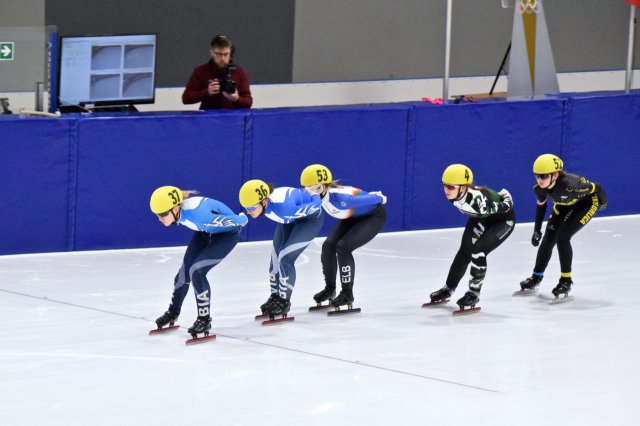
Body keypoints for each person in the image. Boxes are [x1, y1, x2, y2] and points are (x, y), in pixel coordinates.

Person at [150, 185, 248, 337]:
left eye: (162, 214)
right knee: (184, 272)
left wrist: (242, 218)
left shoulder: (198, 216)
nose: (160, 219)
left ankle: (204, 319)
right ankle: (173, 312)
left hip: (227, 234)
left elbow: (237, 222)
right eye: (157, 215)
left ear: (176, 209)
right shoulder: (182, 213)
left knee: (197, 271)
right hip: (205, 231)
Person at [300, 164, 387, 310]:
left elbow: (372, 199)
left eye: (318, 188)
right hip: (350, 217)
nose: (314, 193)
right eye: (309, 190)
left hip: (373, 216)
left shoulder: (339, 199)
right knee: (328, 246)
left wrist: (379, 197)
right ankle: (330, 289)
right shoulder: (314, 196)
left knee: (343, 247)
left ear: (325, 186)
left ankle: (347, 293)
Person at [429, 164, 516, 309]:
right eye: (445, 186)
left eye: (451, 187)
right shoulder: (457, 195)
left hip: (502, 221)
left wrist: (506, 197)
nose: (446, 190)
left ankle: (473, 293)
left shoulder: (477, 202)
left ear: (463, 187)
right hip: (481, 218)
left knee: (478, 251)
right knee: (464, 252)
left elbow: (507, 206)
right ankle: (448, 288)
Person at [519, 154, 607, 296]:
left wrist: (603, 203)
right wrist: (537, 230)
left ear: (555, 175)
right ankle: (536, 276)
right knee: (548, 239)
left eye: (543, 176)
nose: (539, 180)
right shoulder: (539, 189)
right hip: (564, 203)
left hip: (587, 203)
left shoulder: (571, 185)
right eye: (537, 176)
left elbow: (598, 188)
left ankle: (566, 280)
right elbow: (541, 207)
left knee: (563, 237)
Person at [238, 179, 323, 318]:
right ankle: (275, 296)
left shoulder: (284, 208)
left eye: (251, 208)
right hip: (288, 220)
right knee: (275, 260)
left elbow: (316, 203)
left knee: (285, 259)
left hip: (309, 221)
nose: (248, 211)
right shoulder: (272, 206)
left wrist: (313, 193)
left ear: (264, 202)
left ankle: (284, 302)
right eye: (245, 208)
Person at [182, 35, 253, 110]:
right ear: (211, 53)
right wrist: (207, 92)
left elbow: (248, 102)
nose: (222, 58)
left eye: (226, 54)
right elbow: (186, 98)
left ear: (231, 53)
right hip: (208, 118)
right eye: (218, 54)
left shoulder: (239, 71)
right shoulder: (200, 71)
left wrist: (236, 98)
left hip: (233, 118)